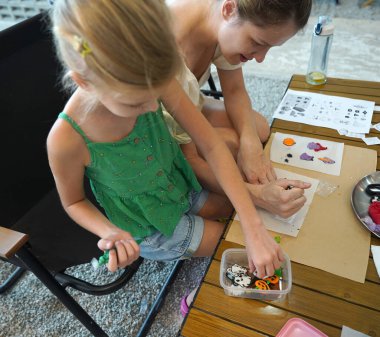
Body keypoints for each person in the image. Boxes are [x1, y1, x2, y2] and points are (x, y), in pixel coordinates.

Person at [47, 0, 283, 294]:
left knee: (248, 217)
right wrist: (109, 231)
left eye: (155, 94)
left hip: (180, 185)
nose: (151, 107)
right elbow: (74, 203)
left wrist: (253, 226)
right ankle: (191, 300)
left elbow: (210, 144)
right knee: (232, 244)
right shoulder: (65, 140)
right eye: (134, 103)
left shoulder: (153, 74)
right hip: (150, 227)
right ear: (84, 81)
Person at [164, 0, 313, 218]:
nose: (261, 58)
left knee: (258, 129)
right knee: (230, 145)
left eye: (270, 47)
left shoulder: (215, 18)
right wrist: (257, 195)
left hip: (185, 105)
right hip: (153, 131)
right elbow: (188, 157)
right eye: (258, 42)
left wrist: (251, 144)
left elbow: (234, 90)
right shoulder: (164, 47)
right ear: (229, 9)